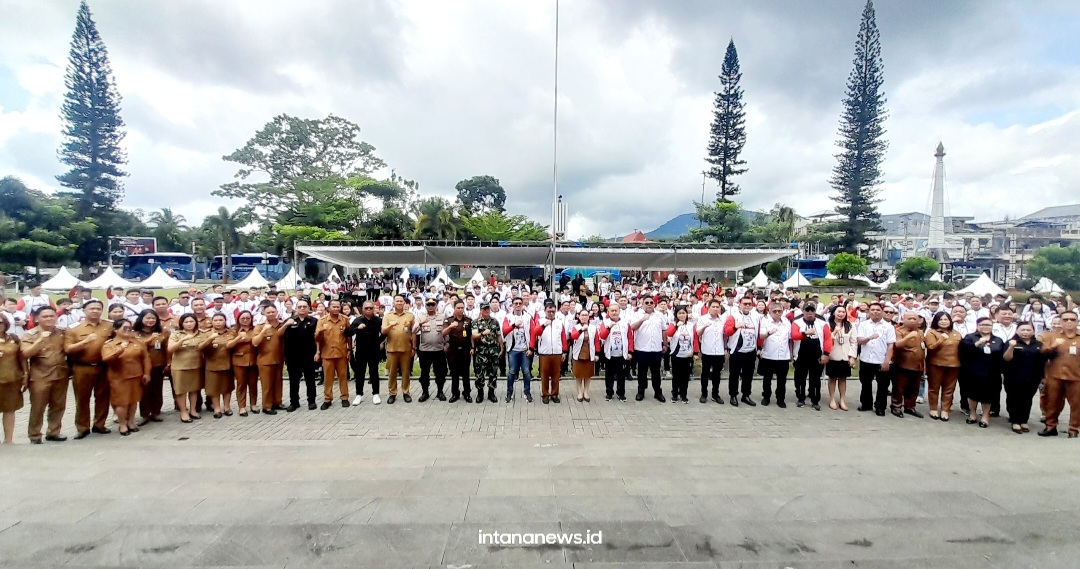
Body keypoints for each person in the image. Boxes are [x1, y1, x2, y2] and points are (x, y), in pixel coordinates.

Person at [63, 299, 114, 438]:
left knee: (103, 397)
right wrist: (85, 342)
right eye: (92, 308)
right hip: (82, 368)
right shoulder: (74, 328)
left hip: (103, 367)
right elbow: (68, 349)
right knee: (82, 399)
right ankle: (82, 427)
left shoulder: (109, 325)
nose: (95, 311)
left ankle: (100, 424)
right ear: (84, 311)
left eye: (98, 308)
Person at [21, 307, 68, 443]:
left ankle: (54, 432)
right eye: (45, 316)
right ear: (37, 318)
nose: (49, 319)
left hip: (60, 373)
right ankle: (35, 435)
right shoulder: (30, 334)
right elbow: (26, 353)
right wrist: (40, 340)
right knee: (38, 407)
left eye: (52, 316)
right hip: (40, 375)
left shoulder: (62, 332)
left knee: (58, 405)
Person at [101, 319, 151, 436]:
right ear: (116, 330)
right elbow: (106, 358)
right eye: (124, 328)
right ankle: (122, 424)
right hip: (119, 377)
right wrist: (120, 349)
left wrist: (147, 373)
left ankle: (130, 422)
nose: (128, 330)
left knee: (133, 400)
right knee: (121, 402)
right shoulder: (109, 344)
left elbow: (146, 358)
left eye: (129, 328)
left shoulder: (137, 342)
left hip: (136, 375)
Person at [1038, 310, 1080, 438]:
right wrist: (1053, 346)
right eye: (1065, 319)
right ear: (1060, 322)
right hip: (1054, 376)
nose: (1069, 322)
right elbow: (1041, 354)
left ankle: (1073, 429)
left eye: (1072, 319)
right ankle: (1050, 426)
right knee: (1052, 402)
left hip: (1076, 377)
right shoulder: (1051, 336)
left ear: (1077, 322)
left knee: (1077, 405)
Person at [959, 317, 1005, 428]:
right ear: (977, 326)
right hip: (973, 371)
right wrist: (977, 343)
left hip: (992, 372)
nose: (985, 327)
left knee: (988, 396)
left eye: (988, 325)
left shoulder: (998, 340)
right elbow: (963, 352)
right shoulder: (970, 337)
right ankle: (973, 414)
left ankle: (985, 416)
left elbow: (1001, 357)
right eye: (982, 324)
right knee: (972, 394)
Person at [168, 314, 212, 423]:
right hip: (180, 367)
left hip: (196, 365)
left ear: (195, 322)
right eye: (186, 322)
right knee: (181, 390)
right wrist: (182, 340)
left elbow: (204, 346)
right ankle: (183, 412)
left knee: (194, 389)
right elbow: (170, 349)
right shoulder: (176, 334)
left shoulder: (201, 333)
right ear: (182, 323)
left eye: (191, 321)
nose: (189, 324)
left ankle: (193, 410)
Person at [1002, 322, 1044, 434]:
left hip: (1032, 377)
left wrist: (1042, 376)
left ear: (1033, 331)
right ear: (1017, 331)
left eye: (1028, 330)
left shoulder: (1039, 344)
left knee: (1027, 399)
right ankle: (1015, 421)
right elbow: (1006, 358)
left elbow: (1042, 362)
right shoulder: (1011, 342)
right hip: (1013, 377)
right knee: (1014, 398)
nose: (1025, 332)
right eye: (1023, 330)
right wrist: (1011, 347)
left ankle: (1024, 420)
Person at [856, 302, 896, 416]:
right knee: (865, 383)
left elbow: (891, 346)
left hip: (881, 360)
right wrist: (869, 338)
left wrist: (887, 361)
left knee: (883, 386)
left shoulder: (888, 327)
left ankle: (880, 407)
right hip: (866, 360)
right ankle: (866, 404)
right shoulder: (863, 325)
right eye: (873, 310)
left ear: (882, 312)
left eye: (878, 310)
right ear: (869, 311)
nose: (875, 312)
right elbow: (859, 341)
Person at [791, 303, 832, 411]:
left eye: (812, 310)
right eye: (807, 310)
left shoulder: (822, 323)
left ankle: (815, 400)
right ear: (803, 311)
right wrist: (805, 333)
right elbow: (794, 336)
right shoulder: (797, 322)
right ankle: (800, 398)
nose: (810, 313)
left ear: (815, 311)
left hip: (816, 355)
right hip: (801, 355)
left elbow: (828, 339)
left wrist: (826, 353)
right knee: (800, 378)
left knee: (815, 379)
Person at [924, 312, 962, 421]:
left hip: (954, 364)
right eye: (941, 319)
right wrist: (940, 340)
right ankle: (933, 408)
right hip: (936, 364)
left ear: (950, 321)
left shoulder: (956, 333)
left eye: (946, 319)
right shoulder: (932, 333)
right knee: (934, 387)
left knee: (949, 388)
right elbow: (930, 347)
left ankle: (945, 409)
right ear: (936, 321)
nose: (944, 321)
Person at [725, 296, 762, 406]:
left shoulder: (756, 317)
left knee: (748, 375)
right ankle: (733, 395)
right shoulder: (733, 316)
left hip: (751, 350)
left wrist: (759, 347)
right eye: (745, 304)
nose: (747, 305)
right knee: (734, 375)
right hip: (737, 350)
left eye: (749, 304)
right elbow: (726, 332)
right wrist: (736, 327)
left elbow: (759, 333)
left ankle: (746, 395)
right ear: (740, 304)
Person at [283, 300, 319, 411]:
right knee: (294, 380)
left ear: (309, 308)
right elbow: (283, 338)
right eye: (300, 307)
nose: (302, 308)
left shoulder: (314, 321)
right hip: (293, 356)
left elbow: (318, 338)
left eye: (304, 306)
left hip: (309, 355)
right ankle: (294, 402)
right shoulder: (290, 321)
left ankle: (311, 401)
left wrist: (318, 352)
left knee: (310, 379)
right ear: (296, 308)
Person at [133, 309, 168, 425]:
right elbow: (137, 347)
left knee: (157, 390)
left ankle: (156, 412)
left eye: (153, 318)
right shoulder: (135, 333)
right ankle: (145, 414)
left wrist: (167, 363)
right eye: (147, 318)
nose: (150, 320)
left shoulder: (161, 332)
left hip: (158, 365)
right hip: (141, 367)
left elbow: (166, 348)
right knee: (144, 391)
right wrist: (150, 339)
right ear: (141, 319)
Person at [315, 299, 351, 409]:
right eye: (333, 307)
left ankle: (344, 398)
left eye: (337, 307)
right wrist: (318, 351)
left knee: (343, 376)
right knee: (328, 378)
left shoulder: (344, 319)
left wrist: (349, 349)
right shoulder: (322, 321)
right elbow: (317, 339)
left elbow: (348, 335)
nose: (336, 309)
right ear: (328, 308)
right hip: (327, 354)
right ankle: (327, 399)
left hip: (341, 353)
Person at [630, 296, 666, 402]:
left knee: (656, 372)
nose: (649, 304)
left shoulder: (660, 315)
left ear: (654, 304)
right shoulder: (637, 314)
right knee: (642, 372)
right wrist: (642, 319)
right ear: (642, 304)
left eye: (651, 302)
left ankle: (657, 392)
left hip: (656, 348)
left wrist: (665, 344)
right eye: (647, 302)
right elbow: (632, 327)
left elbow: (664, 330)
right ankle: (641, 391)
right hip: (642, 349)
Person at [252, 305, 287, 414]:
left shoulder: (282, 325)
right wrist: (263, 331)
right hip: (265, 360)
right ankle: (267, 406)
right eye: (268, 312)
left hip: (279, 358)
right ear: (264, 313)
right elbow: (254, 342)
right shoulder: (260, 326)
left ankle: (277, 402)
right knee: (267, 384)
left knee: (278, 382)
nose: (271, 314)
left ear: (277, 312)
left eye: (273, 312)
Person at [381, 294, 416, 404]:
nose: (399, 303)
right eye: (397, 301)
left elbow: (414, 332)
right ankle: (392, 393)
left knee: (406, 372)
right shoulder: (388, 316)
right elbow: (383, 331)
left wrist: (414, 347)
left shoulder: (410, 316)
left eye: (401, 301)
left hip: (406, 348)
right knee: (392, 373)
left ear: (404, 303)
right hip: (392, 349)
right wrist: (391, 325)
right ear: (393, 303)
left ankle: (406, 392)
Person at [757, 302, 793, 407]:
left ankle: (780, 399)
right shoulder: (765, 321)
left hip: (783, 356)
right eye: (775, 311)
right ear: (770, 311)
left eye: (779, 311)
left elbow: (790, 339)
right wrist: (769, 333)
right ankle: (766, 396)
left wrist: (791, 353)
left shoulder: (786, 322)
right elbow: (761, 336)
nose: (777, 313)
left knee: (782, 380)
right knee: (767, 379)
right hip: (769, 355)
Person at [891, 312, 926, 418]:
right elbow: (897, 345)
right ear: (903, 320)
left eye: (914, 319)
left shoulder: (920, 332)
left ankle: (910, 406)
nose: (912, 321)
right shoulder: (898, 331)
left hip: (918, 366)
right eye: (909, 318)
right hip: (902, 365)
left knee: (914, 388)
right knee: (899, 387)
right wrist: (908, 337)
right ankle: (896, 406)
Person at [348, 301, 383, 405]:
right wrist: (357, 328)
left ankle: (376, 394)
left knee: (374, 372)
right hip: (361, 350)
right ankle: (359, 394)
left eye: (370, 308)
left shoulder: (378, 320)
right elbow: (348, 332)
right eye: (366, 308)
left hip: (374, 350)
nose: (368, 310)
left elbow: (384, 333)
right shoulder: (357, 320)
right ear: (362, 309)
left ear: (374, 309)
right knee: (360, 373)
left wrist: (378, 341)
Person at [532, 302, 569, 404]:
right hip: (544, 353)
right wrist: (544, 325)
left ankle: (554, 394)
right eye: (549, 311)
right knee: (544, 376)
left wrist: (564, 352)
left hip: (557, 353)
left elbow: (563, 338)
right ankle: (545, 394)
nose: (551, 313)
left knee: (556, 376)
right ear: (545, 311)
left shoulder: (559, 323)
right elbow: (536, 332)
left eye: (553, 311)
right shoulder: (540, 321)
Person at [415, 298, 449, 402]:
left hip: (439, 350)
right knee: (424, 373)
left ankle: (440, 392)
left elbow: (446, 332)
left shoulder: (442, 316)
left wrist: (447, 344)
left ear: (436, 306)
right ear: (426, 306)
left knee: (440, 372)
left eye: (432, 304)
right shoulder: (421, 316)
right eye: (428, 305)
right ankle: (425, 392)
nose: (430, 306)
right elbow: (414, 330)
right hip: (425, 350)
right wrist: (421, 323)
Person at [202, 314, 235, 418]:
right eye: (215, 320)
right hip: (212, 364)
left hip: (228, 363)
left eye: (221, 320)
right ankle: (216, 408)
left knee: (227, 387)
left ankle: (227, 407)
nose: (218, 322)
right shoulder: (207, 333)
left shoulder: (231, 332)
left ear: (225, 321)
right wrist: (210, 339)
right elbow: (200, 348)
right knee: (214, 388)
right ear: (212, 322)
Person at [501, 297, 534, 403]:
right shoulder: (508, 317)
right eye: (516, 303)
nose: (518, 305)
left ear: (523, 305)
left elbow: (533, 333)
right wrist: (514, 325)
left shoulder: (528, 317)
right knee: (512, 372)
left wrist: (531, 348)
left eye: (520, 303)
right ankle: (509, 393)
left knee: (526, 372)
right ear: (512, 305)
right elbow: (504, 331)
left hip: (525, 350)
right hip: (513, 350)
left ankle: (527, 392)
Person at [598, 304, 633, 401]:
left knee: (621, 375)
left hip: (622, 354)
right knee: (609, 375)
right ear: (608, 312)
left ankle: (621, 393)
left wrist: (630, 352)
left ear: (619, 311)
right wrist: (609, 328)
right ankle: (609, 393)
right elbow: (602, 336)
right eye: (612, 311)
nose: (614, 313)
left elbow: (630, 338)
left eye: (616, 310)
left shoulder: (625, 323)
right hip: (609, 354)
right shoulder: (605, 323)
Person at [0, 317, 26, 444]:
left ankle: (8, 440)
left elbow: (21, 358)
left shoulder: (14, 338)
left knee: (9, 409)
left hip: (11, 379)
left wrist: (25, 374)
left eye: (1, 322)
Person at [826, 305, 857, 411]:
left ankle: (842, 400)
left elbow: (854, 342)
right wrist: (834, 332)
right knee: (832, 378)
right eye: (839, 311)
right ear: (834, 313)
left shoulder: (850, 325)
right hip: (833, 356)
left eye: (843, 312)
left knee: (843, 379)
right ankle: (832, 399)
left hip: (845, 356)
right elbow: (827, 340)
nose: (841, 314)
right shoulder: (827, 324)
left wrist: (852, 356)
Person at [695, 299, 726, 404]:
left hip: (719, 351)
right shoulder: (702, 319)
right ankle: (704, 393)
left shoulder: (723, 319)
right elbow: (698, 333)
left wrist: (726, 349)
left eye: (717, 307)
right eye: (713, 307)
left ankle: (715, 394)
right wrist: (705, 326)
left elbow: (725, 335)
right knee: (705, 373)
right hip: (707, 350)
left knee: (717, 374)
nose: (715, 309)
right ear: (708, 307)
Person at [228, 311, 259, 416]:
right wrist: (238, 339)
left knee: (253, 384)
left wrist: (248, 339)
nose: (245, 320)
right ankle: (242, 406)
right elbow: (229, 345)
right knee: (241, 384)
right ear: (238, 319)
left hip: (253, 360)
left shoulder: (255, 329)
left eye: (248, 318)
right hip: (239, 361)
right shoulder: (234, 331)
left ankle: (253, 404)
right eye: (243, 318)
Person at [665, 305, 696, 404]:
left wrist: (695, 352)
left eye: (683, 313)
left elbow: (695, 339)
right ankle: (675, 394)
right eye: (679, 313)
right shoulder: (673, 324)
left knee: (685, 376)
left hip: (687, 354)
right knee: (676, 376)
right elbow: (669, 334)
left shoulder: (691, 325)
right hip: (676, 354)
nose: (682, 315)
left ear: (687, 314)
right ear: (676, 314)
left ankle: (683, 394)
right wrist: (677, 326)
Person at [443, 300, 472, 403]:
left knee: (466, 373)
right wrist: (451, 326)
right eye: (458, 308)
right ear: (454, 308)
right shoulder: (449, 320)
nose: (460, 310)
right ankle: (455, 393)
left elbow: (471, 336)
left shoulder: (468, 320)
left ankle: (467, 393)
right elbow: (443, 333)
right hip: (453, 350)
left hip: (465, 350)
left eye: (462, 308)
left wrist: (472, 348)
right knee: (454, 373)